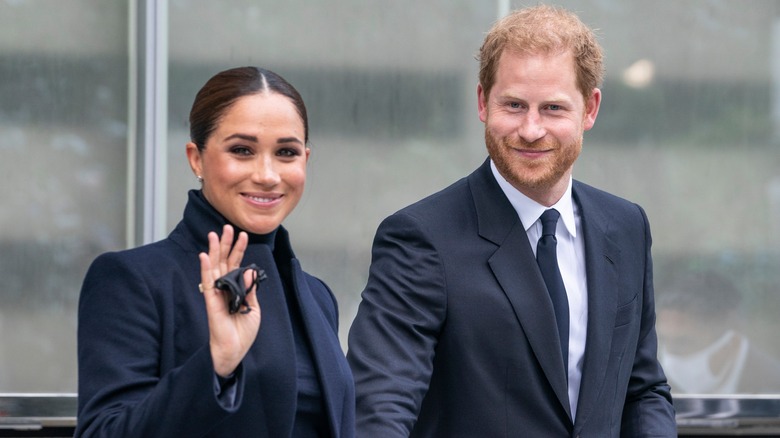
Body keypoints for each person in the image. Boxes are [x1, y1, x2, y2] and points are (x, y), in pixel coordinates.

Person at [346, 5, 676, 437]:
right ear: (483, 102)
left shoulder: (626, 226)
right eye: (514, 105)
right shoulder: (420, 238)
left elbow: (642, 389)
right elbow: (379, 406)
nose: (531, 129)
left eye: (554, 108)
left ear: (590, 109)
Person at [76, 66, 355, 437]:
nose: (268, 174)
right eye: (242, 150)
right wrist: (217, 363)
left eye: (286, 152)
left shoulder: (316, 296)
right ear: (196, 159)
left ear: (305, 159)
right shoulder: (132, 280)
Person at [656, 268, 780, 394]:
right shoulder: (658, 392)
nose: (670, 356)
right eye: (663, 340)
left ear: (731, 342)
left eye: (683, 342)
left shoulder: (772, 394)